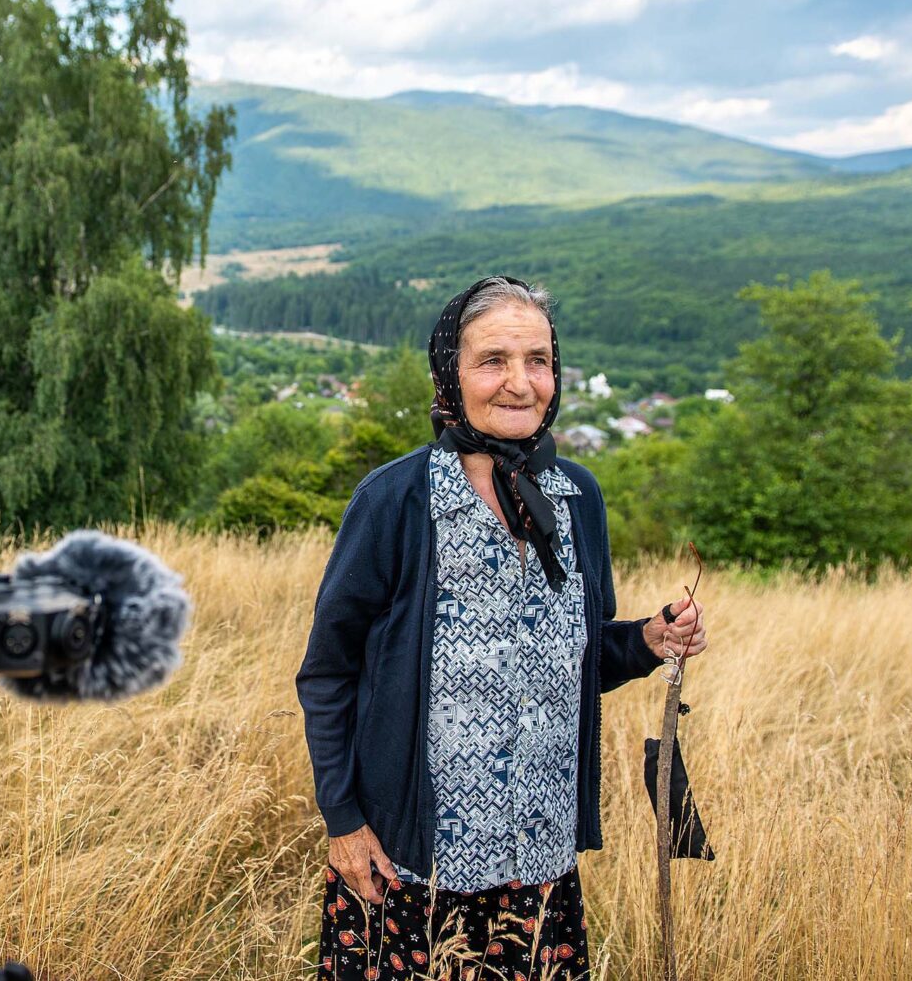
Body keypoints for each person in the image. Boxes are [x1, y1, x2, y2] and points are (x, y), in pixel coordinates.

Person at [296, 276, 707, 980]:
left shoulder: (578, 499)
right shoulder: (397, 501)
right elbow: (328, 672)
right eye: (493, 360)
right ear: (450, 375)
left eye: (539, 360)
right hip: (407, 863)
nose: (521, 382)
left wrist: (645, 640)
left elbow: (577, 656)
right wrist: (343, 821)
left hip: (538, 866)